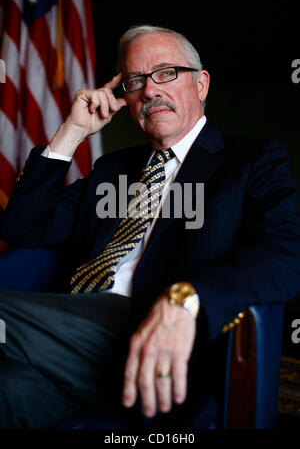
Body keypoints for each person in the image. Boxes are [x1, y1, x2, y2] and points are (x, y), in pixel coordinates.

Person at [0, 24, 299, 429]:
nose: (150, 90)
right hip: (70, 334)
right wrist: (71, 133)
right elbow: (23, 229)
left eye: (165, 73)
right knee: (8, 390)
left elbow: (286, 254)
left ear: (201, 84)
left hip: (163, 339)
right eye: (135, 80)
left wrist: (186, 299)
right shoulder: (113, 170)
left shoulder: (252, 161)